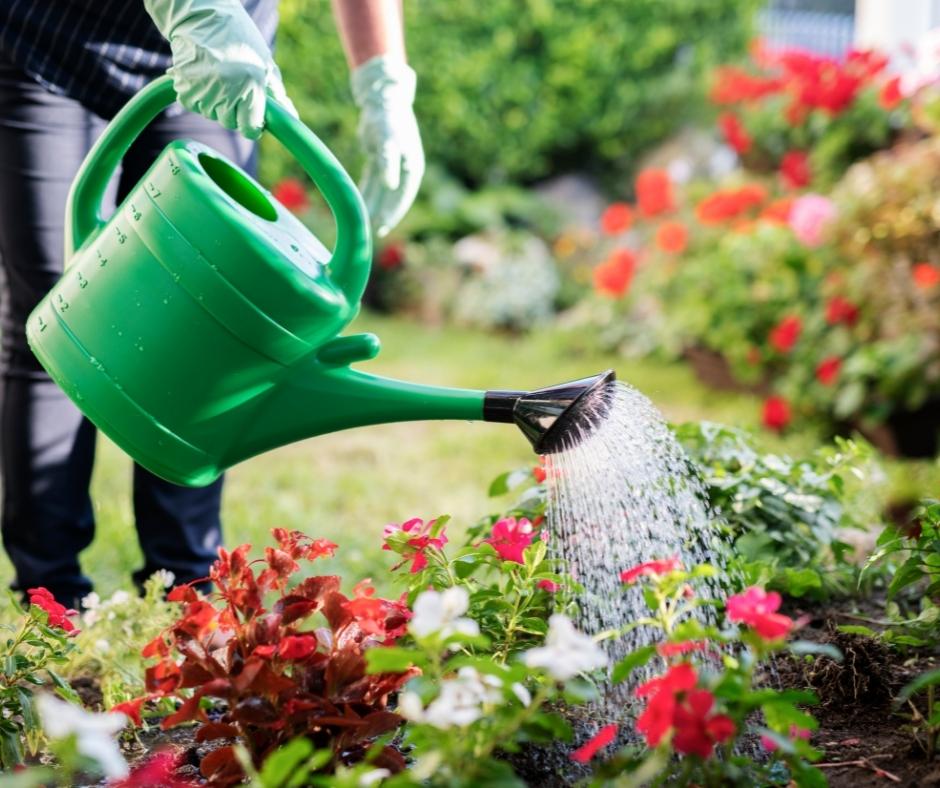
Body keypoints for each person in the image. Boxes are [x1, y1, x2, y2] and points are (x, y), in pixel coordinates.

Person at [0, 0, 424, 607]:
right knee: (58, 313)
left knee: (211, 325)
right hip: (52, 40)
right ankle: (50, 594)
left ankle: (186, 584)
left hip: (227, 54)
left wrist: (383, 83)